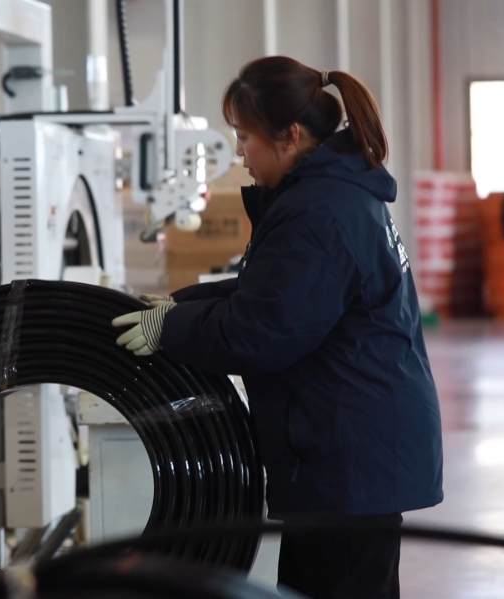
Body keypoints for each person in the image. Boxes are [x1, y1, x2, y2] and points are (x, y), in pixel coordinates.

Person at [111, 56, 444, 599]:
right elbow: (272, 288)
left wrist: (170, 330)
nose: (239, 151)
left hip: (349, 458)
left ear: (289, 136)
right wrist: (178, 305)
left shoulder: (319, 212)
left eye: (245, 137)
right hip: (355, 448)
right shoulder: (330, 194)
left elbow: (263, 331)